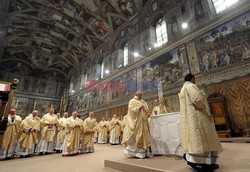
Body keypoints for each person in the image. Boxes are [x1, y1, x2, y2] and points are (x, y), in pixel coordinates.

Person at [179, 74, 223, 170]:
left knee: (194, 140)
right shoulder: (191, 86)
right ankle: (204, 163)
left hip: (189, 117)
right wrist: (202, 96)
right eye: (194, 79)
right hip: (197, 116)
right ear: (192, 79)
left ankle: (201, 161)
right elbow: (197, 100)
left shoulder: (182, 89)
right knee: (202, 138)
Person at [122, 91, 151, 158]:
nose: (141, 96)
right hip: (136, 122)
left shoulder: (143, 101)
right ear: (136, 94)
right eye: (140, 95)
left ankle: (143, 152)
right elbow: (131, 110)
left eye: (142, 95)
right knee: (136, 136)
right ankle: (134, 153)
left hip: (143, 122)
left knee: (144, 136)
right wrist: (138, 108)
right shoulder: (132, 101)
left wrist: (145, 109)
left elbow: (147, 110)